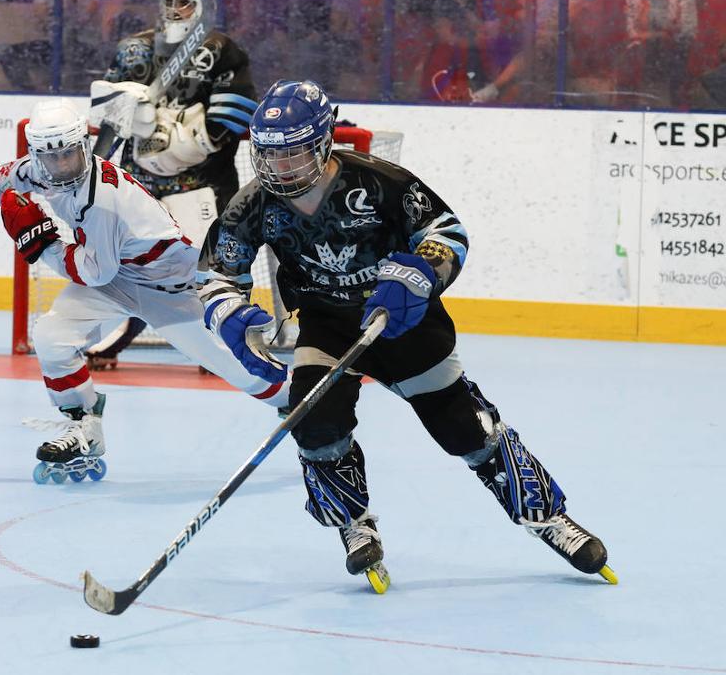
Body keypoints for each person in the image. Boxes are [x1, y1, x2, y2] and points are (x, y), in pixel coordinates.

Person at [197, 79, 616, 592]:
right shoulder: (253, 204)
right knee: (316, 424)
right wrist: (229, 313)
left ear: (325, 142)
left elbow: (447, 233)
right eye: (270, 157)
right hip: (327, 326)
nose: (281, 169)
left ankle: (547, 516)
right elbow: (217, 275)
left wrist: (421, 274)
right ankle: (354, 524)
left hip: (401, 319)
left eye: (295, 155)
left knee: (464, 428)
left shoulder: (380, 183)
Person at [0, 99, 289, 483]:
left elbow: (92, 272)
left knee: (241, 370)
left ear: (83, 147)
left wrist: (41, 244)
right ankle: (83, 425)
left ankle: (301, 400)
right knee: (52, 336)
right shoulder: (36, 169)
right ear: (36, 153)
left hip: (170, 286)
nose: (62, 166)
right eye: (52, 158)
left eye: (70, 155)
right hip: (118, 276)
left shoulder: (104, 201)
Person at [85, 0, 258, 368]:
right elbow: (105, 109)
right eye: (171, 2)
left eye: (185, 3)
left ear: (200, 9)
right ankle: (119, 333)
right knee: (129, 262)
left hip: (202, 185)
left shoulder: (221, 50)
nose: (176, 10)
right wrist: (134, 113)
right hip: (139, 184)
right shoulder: (134, 49)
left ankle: (224, 342)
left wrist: (181, 140)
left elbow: (234, 114)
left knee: (212, 264)